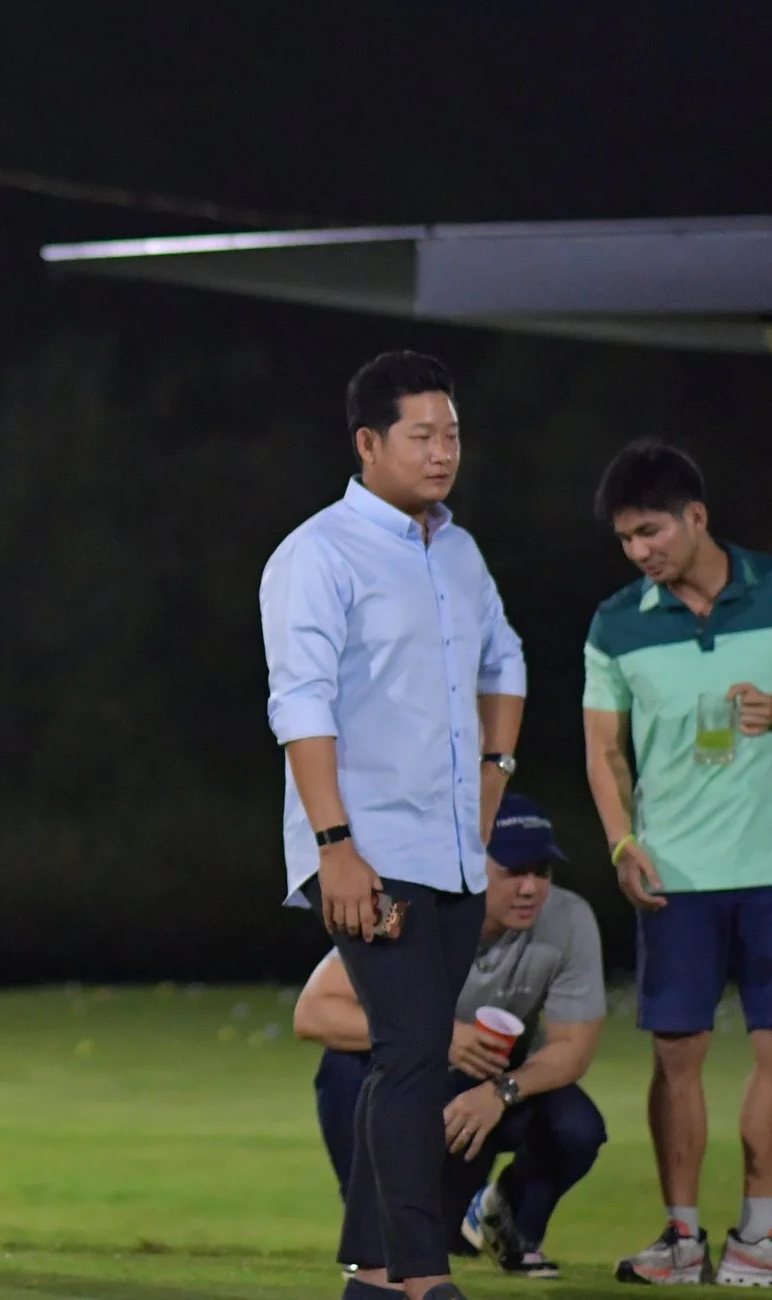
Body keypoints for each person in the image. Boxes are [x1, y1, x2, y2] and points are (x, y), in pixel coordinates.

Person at [260, 349, 527, 1300]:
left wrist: (493, 784)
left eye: (452, 432)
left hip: (453, 854)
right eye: (422, 434)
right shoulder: (317, 553)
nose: (443, 451)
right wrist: (335, 848)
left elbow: (507, 660)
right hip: (367, 851)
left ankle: (371, 1279)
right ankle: (422, 1277)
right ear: (369, 443)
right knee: (413, 1055)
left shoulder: (457, 548)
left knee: (401, 1058)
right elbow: (300, 704)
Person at [585, 439, 772, 1290]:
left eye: (650, 532)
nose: (640, 551)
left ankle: (759, 1238)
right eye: (627, 538)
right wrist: (622, 843)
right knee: (678, 1055)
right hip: (674, 874)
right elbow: (604, 750)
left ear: (695, 516)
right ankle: (678, 1238)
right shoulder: (615, 622)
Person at [295, 793, 608, 1282]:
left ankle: (508, 1221)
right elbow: (312, 1012)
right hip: (417, 1081)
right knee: (343, 1070)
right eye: (514, 871)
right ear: (474, 863)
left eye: (542, 871)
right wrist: (436, 1039)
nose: (531, 888)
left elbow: (574, 1048)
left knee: (577, 1128)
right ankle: (373, 1239)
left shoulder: (569, 920)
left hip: (492, 1088)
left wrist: (501, 1093)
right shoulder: (413, 906)